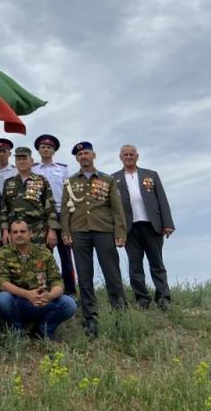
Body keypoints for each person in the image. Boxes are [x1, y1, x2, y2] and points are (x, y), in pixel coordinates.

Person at [61, 142, 127, 338]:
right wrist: (66, 231)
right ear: (77, 159)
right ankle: (90, 318)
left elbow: (117, 208)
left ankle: (120, 315)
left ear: (93, 155)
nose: (83, 157)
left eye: (86, 153)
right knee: (84, 276)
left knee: (112, 275)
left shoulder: (107, 179)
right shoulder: (70, 182)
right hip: (79, 231)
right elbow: (65, 209)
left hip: (104, 230)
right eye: (80, 154)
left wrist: (120, 232)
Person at [112, 145, 175, 310]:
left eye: (131, 154)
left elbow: (162, 199)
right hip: (129, 228)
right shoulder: (113, 179)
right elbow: (112, 208)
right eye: (125, 154)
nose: (128, 156)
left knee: (157, 263)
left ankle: (163, 298)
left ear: (137, 156)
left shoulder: (151, 175)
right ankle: (142, 299)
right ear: (120, 157)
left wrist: (167, 223)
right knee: (135, 265)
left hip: (152, 225)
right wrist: (116, 231)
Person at [0, 220, 77, 340]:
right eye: (15, 232)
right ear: (11, 235)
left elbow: (57, 282)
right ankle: (18, 331)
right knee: (3, 299)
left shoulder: (44, 253)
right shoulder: (4, 253)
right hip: (19, 302)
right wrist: (27, 295)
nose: (19, 235)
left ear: (31, 234)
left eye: (23, 231)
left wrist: (49, 296)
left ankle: (42, 330)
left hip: (42, 301)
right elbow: (2, 283)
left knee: (69, 304)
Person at [32, 133, 76, 296]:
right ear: (38, 150)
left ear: (54, 151)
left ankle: (70, 291)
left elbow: (68, 193)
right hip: (41, 216)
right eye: (43, 147)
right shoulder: (33, 169)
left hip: (60, 214)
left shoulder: (62, 169)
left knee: (66, 255)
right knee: (42, 256)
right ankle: (44, 289)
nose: (45, 149)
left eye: (49, 147)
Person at [1, 147, 59, 248]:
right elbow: (4, 209)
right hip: (16, 231)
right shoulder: (8, 182)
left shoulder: (41, 180)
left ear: (31, 161)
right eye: (18, 159)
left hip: (38, 230)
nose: (21, 162)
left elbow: (50, 206)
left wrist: (52, 230)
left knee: (41, 262)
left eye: (24, 158)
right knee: (17, 262)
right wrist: (5, 231)